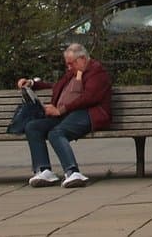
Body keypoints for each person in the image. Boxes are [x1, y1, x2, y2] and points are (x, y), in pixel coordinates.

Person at [17, 43, 112, 188]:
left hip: (88, 114)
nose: (68, 68)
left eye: (71, 64)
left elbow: (89, 97)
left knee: (56, 133)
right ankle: (44, 170)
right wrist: (32, 84)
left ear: (82, 59)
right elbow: (56, 86)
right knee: (33, 127)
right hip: (66, 115)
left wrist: (61, 110)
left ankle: (72, 172)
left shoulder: (97, 72)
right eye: (67, 64)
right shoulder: (73, 73)